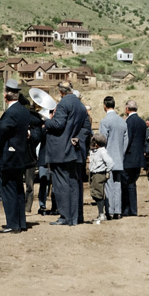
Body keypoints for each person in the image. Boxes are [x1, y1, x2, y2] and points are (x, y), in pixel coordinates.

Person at [45, 81, 87, 226]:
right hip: (74, 150)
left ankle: (65, 216)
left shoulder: (63, 104)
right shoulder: (80, 105)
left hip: (60, 150)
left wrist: (46, 121)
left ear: (61, 92)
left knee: (61, 184)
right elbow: (86, 127)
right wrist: (78, 139)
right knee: (74, 184)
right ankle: (75, 217)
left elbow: (58, 124)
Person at [0, 80, 30, 233]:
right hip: (21, 155)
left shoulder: (10, 112)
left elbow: (3, 131)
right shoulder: (23, 111)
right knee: (18, 190)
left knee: (8, 190)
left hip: (9, 156)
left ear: (6, 95)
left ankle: (12, 224)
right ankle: (21, 222)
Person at [98, 96, 128, 220]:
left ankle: (109, 210)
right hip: (119, 158)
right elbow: (126, 141)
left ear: (105, 105)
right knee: (117, 185)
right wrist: (121, 153)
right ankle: (118, 211)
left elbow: (102, 141)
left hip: (108, 158)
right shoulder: (122, 121)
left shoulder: (104, 122)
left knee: (108, 185)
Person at [121, 99, 146, 217]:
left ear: (127, 109)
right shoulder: (141, 122)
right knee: (132, 184)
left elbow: (127, 140)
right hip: (138, 158)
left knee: (126, 185)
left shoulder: (129, 122)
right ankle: (133, 209)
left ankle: (127, 209)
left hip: (129, 158)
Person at [88, 133, 114, 224]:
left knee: (98, 194)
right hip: (93, 174)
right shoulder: (94, 151)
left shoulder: (102, 151)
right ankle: (101, 213)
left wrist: (107, 172)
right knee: (94, 193)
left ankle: (101, 214)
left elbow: (110, 162)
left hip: (99, 174)